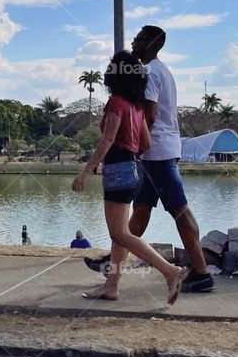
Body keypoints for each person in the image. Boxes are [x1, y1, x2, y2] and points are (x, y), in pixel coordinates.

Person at [85, 26, 215, 293]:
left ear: (153, 44)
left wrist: (127, 139)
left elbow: (150, 116)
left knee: (180, 210)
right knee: (141, 211)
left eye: (140, 37)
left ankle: (200, 272)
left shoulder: (151, 72)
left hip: (156, 153)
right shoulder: (158, 70)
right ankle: (113, 266)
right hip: (153, 151)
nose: (134, 40)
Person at [72, 50, 189, 304]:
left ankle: (171, 272)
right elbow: (145, 143)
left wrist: (86, 171)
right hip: (135, 169)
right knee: (120, 233)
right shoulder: (136, 107)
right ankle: (111, 286)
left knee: (121, 235)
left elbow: (108, 139)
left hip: (118, 170)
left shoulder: (116, 102)